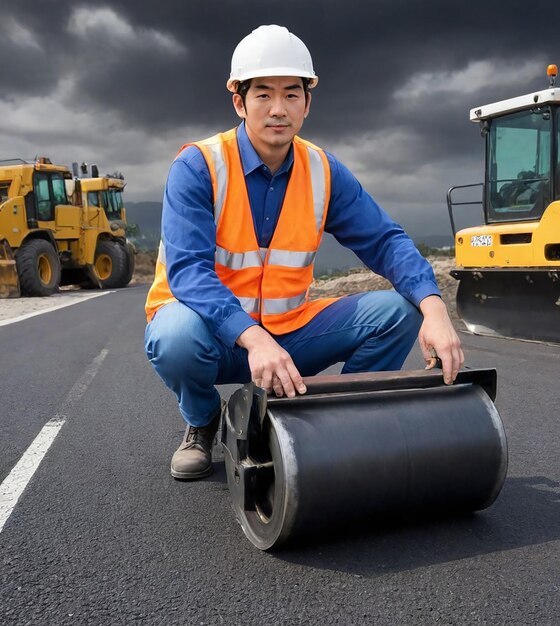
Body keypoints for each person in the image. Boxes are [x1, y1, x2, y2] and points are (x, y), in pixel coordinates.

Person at [144, 25, 464, 480]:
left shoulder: (322, 170)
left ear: (307, 102)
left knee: (399, 312)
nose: (279, 109)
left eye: (292, 95)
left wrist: (434, 307)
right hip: (215, 336)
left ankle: (338, 424)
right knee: (174, 336)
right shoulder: (198, 166)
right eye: (263, 95)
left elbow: (386, 240)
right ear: (239, 101)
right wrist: (252, 338)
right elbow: (189, 272)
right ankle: (200, 420)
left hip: (290, 334)